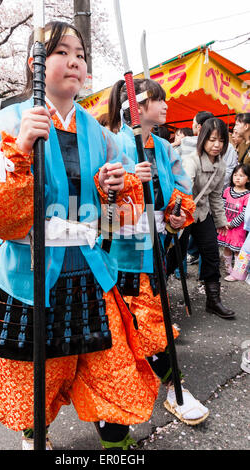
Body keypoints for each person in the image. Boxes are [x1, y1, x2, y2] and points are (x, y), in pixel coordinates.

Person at [0, 21, 158, 451]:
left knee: (109, 363)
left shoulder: (100, 134)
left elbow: (116, 220)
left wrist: (113, 188)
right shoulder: (4, 122)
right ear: (37, 62)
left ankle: (115, 441)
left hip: (89, 268)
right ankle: (34, 434)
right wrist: (19, 149)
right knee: (33, 375)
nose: (76, 62)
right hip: (29, 273)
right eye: (63, 52)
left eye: (81, 54)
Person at [107, 78, 209, 426]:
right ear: (133, 108)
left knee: (150, 319)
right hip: (119, 253)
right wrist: (130, 185)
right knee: (137, 324)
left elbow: (180, 191)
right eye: (158, 99)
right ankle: (172, 386)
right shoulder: (110, 144)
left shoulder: (165, 149)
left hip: (155, 248)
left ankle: (168, 385)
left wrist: (177, 214)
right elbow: (96, 211)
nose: (166, 105)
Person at [180, 117, 235, 319]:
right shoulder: (191, 160)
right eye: (212, 139)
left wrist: (221, 221)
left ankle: (213, 301)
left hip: (203, 215)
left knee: (212, 254)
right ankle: (159, 299)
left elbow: (215, 196)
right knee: (172, 257)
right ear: (203, 138)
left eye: (221, 140)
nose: (216, 145)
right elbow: (184, 191)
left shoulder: (220, 166)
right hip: (184, 215)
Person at [217, 164, 250, 279]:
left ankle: (237, 273)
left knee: (237, 250)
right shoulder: (227, 190)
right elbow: (221, 205)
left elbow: (245, 213)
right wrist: (222, 220)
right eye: (235, 175)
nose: (237, 178)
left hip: (237, 228)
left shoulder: (247, 195)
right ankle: (228, 269)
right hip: (225, 225)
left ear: (248, 179)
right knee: (226, 247)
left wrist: (232, 224)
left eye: (241, 176)